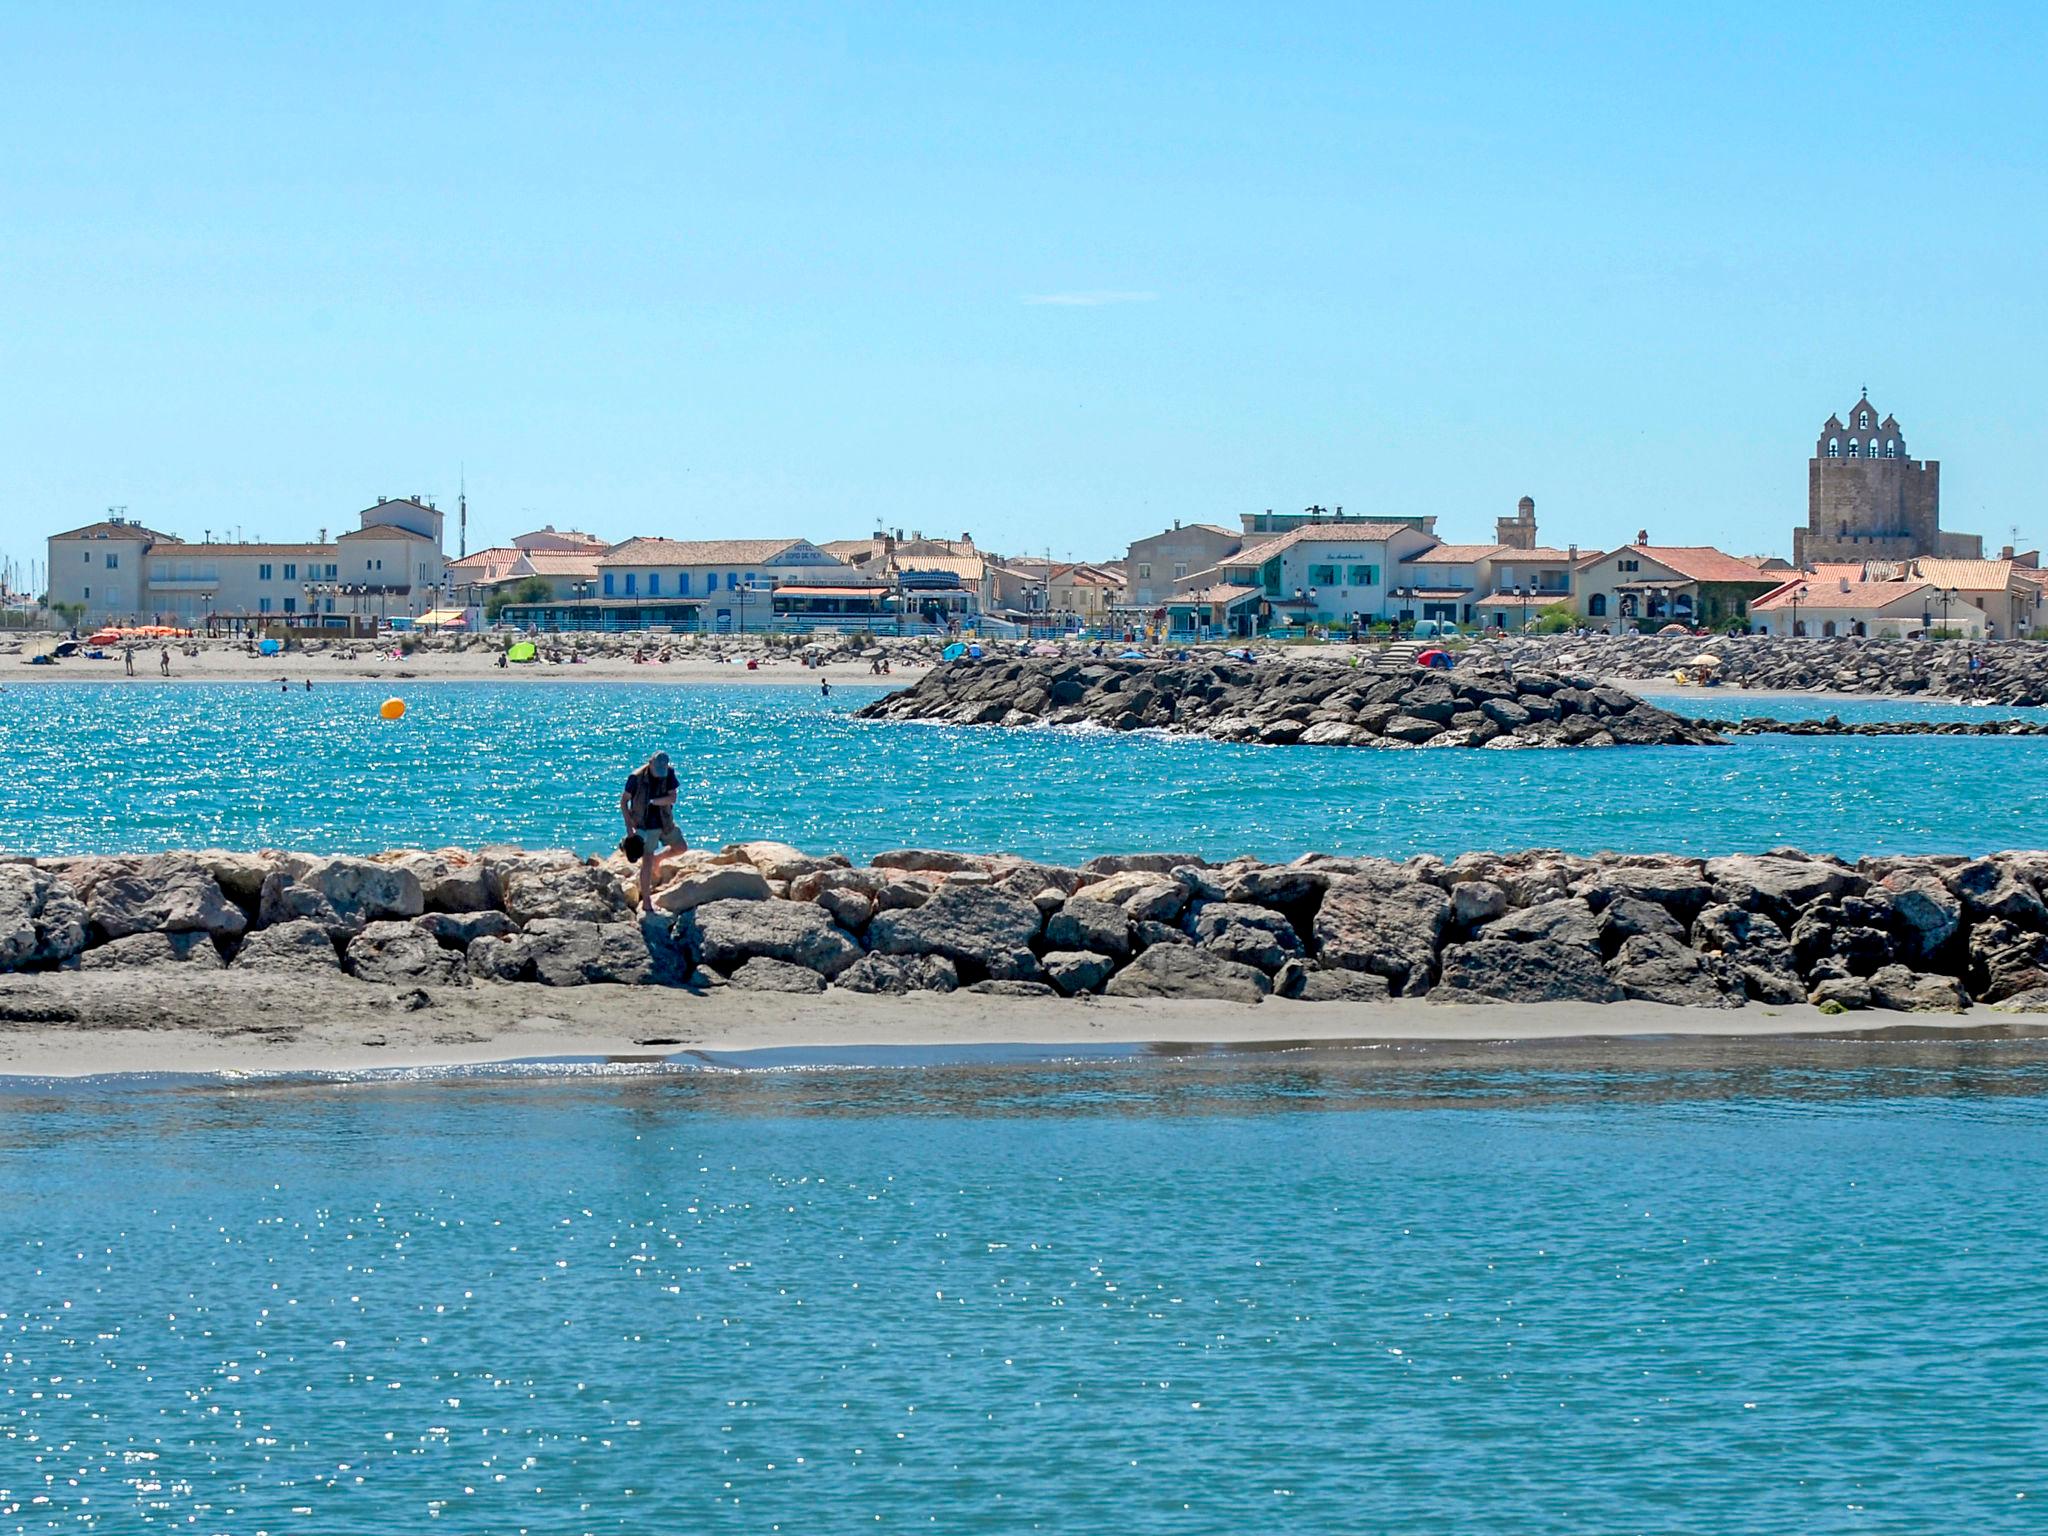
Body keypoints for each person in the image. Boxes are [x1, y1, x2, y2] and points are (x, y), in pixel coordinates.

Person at [620, 751, 686, 906]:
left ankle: (659, 858)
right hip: (645, 824)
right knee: (647, 862)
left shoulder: (668, 773)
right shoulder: (635, 778)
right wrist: (629, 827)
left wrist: (654, 802)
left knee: (681, 847)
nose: (659, 774)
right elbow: (623, 802)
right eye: (657, 770)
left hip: (664, 821)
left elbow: (673, 798)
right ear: (650, 762)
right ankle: (647, 901)